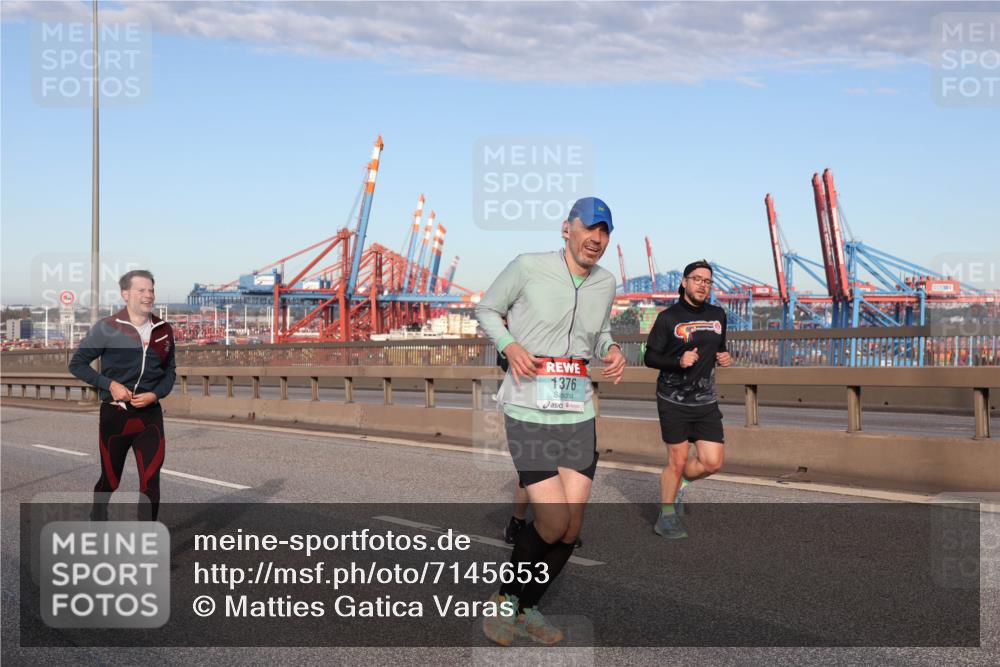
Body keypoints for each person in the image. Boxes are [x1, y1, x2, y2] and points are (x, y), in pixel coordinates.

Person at [475, 197, 626, 645]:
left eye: (604, 232)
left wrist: (612, 351)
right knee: (553, 521)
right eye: (589, 229)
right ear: (567, 229)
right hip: (528, 409)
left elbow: (599, 335)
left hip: (577, 410)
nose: (596, 239)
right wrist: (510, 345)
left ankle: (528, 608)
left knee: (572, 527)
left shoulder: (606, 283)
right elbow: (486, 309)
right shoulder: (527, 266)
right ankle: (504, 602)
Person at [69, 270, 176, 521]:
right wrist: (109, 384)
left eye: (151, 290)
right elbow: (78, 364)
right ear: (125, 294)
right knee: (111, 480)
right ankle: (98, 515)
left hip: (150, 416)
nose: (148, 295)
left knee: (150, 482)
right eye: (141, 290)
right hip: (115, 416)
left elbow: (170, 372)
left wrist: (155, 394)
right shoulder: (107, 328)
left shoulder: (164, 329)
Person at [643, 260, 731, 539]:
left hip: (705, 401)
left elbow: (720, 347)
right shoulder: (668, 317)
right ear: (684, 282)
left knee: (712, 462)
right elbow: (649, 357)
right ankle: (666, 515)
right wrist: (678, 360)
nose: (702, 285)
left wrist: (724, 356)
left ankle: (678, 484)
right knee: (677, 459)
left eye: (707, 281)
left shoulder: (718, 314)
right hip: (673, 399)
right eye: (697, 279)